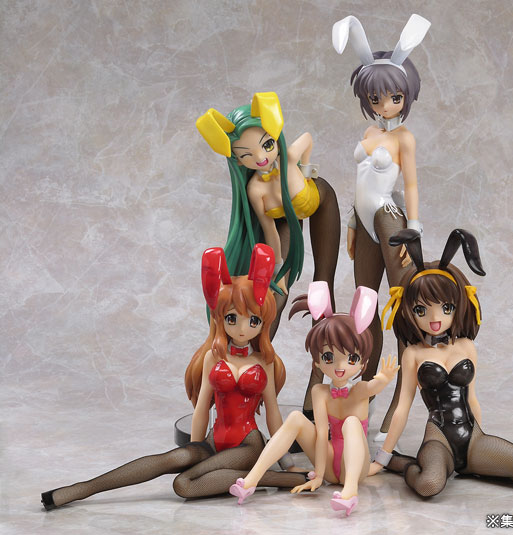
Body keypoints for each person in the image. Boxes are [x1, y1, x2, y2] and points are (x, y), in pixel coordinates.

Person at [41, 244, 305, 510]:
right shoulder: (213, 357)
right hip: (214, 440)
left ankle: (270, 477)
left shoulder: (263, 361)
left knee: (184, 483)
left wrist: (287, 463)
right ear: (220, 319)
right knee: (172, 458)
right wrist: (194, 450)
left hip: (249, 445)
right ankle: (77, 490)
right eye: (232, 318)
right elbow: (202, 409)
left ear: (262, 322)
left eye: (253, 321)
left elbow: (273, 415)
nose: (241, 328)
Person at [369, 229, 513, 496]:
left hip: (473, 438)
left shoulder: (466, 346)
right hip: (438, 440)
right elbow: (402, 408)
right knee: (429, 485)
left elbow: (472, 398)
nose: (435, 318)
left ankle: (469, 465)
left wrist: (484, 448)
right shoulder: (413, 354)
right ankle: (403, 463)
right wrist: (382, 458)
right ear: (408, 310)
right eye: (421, 309)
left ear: (459, 305)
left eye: (446, 308)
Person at [196, 92, 341, 416]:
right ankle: (249, 380)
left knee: (322, 287)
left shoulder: (287, 158)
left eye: (266, 145)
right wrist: (278, 271)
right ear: (238, 161)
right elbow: (271, 233)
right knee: (274, 297)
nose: (261, 158)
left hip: (319, 201)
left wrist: (305, 169)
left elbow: (307, 138)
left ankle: (319, 383)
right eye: (247, 155)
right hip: (285, 218)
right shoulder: (255, 189)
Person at [332, 15, 431, 431]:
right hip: (365, 221)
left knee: (402, 306)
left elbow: (410, 184)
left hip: (391, 222)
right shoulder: (369, 131)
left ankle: (398, 403)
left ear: (406, 96)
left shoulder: (403, 138)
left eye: (393, 97)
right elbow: (359, 182)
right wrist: (351, 224)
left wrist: (414, 227)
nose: (384, 105)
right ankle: (363, 393)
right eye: (375, 98)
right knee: (364, 306)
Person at [228, 281, 399, 516]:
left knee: (351, 422)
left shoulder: (359, 389)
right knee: (296, 417)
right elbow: (320, 434)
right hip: (329, 465)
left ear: (363, 363)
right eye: (329, 357)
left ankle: (350, 493)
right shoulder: (320, 392)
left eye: (351, 359)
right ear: (317, 362)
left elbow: (374, 386)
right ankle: (250, 481)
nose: (340, 366)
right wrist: (318, 474)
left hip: (355, 469)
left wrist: (384, 378)